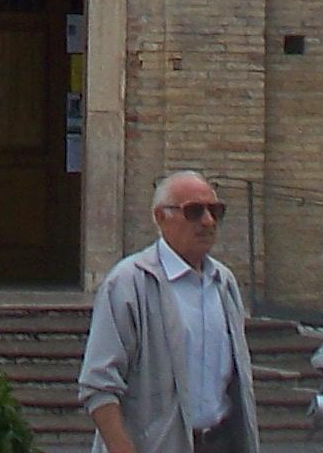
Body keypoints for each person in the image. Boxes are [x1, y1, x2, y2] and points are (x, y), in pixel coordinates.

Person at [78, 173, 258, 453]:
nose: (208, 221)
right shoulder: (129, 283)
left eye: (215, 211)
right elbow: (99, 383)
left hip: (220, 442)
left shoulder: (223, 282)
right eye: (194, 211)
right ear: (161, 217)